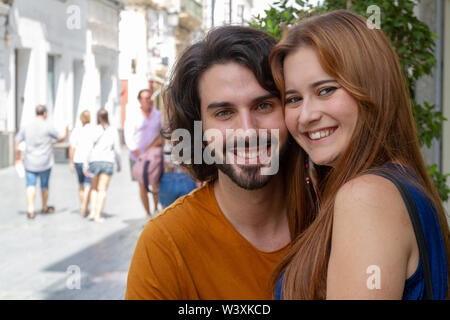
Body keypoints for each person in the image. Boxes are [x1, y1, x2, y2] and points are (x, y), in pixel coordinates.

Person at [269, 10, 450, 299]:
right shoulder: (396, 184)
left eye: (326, 90)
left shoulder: (366, 197)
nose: (306, 115)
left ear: (372, 88)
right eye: (293, 99)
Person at [125, 25, 296, 299]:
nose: (248, 131)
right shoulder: (166, 244)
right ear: (198, 129)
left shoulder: (330, 217)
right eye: (224, 113)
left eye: (263, 106)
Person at [14, 105, 68, 219]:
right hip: (45, 161)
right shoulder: (48, 126)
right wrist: (66, 131)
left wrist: (17, 157)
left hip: (30, 161)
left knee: (30, 185)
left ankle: (30, 209)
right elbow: (60, 138)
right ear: (44, 113)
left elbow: (17, 141)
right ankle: (44, 207)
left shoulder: (26, 126)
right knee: (44, 186)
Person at [124, 89, 162, 216]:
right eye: (145, 98)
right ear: (139, 100)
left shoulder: (157, 115)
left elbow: (162, 133)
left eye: (149, 97)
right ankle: (147, 213)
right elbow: (128, 136)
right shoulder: (133, 116)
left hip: (154, 156)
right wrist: (137, 152)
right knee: (142, 185)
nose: (148, 100)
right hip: (138, 157)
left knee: (155, 183)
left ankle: (156, 209)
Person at [84, 109, 121, 223]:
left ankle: (92, 212)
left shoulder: (93, 130)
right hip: (107, 162)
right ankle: (98, 215)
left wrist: (86, 164)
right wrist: (119, 164)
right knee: (102, 189)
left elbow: (88, 148)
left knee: (94, 188)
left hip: (94, 161)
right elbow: (117, 149)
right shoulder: (113, 130)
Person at [69, 110, 93, 216]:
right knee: (88, 184)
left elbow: (72, 147)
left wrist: (71, 161)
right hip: (89, 161)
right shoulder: (93, 130)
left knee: (81, 184)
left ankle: (82, 205)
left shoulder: (76, 131)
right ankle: (85, 206)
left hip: (78, 160)